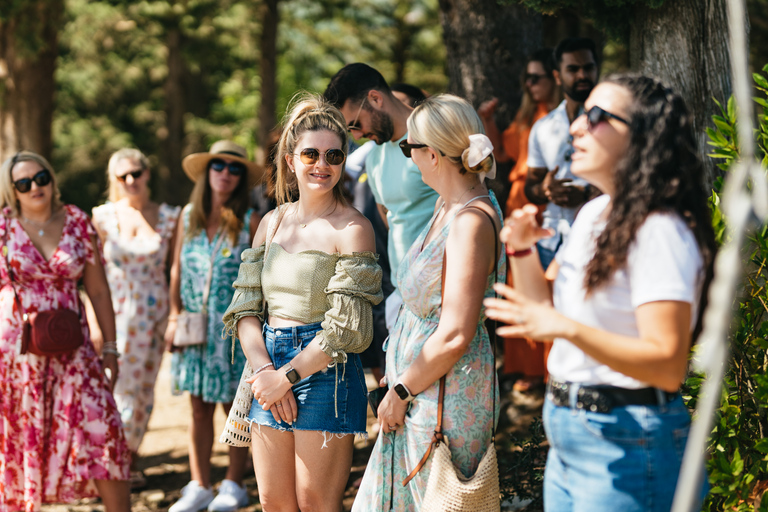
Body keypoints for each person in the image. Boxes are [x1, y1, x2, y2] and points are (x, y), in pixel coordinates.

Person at [484, 75, 715, 511]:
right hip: (570, 428)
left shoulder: (659, 229)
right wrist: (521, 248)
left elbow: (667, 364)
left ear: (643, 135)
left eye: (596, 117)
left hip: (629, 435)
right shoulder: (594, 214)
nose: (576, 127)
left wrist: (566, 328)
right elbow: (543, 314)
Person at [222, 94, 383, 511]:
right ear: (291, 159)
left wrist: (286, 378)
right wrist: (264, 372)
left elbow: (346, 328)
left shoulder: (353, 228)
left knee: (315, 506)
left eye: (333, 154)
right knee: (275, 504)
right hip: (266, 364)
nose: (322, 164)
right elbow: (245, 309)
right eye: (310, 153)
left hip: (325, 369)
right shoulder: (271, 222)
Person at [353, 94, 504, 510]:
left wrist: (401, 389)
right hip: (422, 388)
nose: (407, 157)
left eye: (408, 147)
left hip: (443, 397)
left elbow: (456, 332)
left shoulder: (471, 221)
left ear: (433, 154)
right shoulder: (447, 206)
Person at [0, 151, 130, 511]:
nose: (35, 187)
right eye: (24, 183)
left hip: (75, 351)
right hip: (17, 357)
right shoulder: (2, 228)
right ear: (13, 190)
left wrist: (111, 348)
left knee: (104, 429)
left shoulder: (75, 220)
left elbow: (99, 290)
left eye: (41, 177)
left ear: (52, 178)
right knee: (21, 443)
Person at [165, 140, 262, 512]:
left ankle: (234, 484)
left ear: (241, 178)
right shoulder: (188, 216)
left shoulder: (250, 221)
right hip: (193, 328)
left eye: (235, 168)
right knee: (197, 408)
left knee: (232, 408)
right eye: (219, 165)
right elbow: (176, 269)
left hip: (234, 332)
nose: (225, 173)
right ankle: (199, 484)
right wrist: (174, 316)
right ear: (207, 172)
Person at [324, 63, 439, 332]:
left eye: (356, 124)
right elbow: (390, 219)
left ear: (376, 98)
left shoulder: (436, 133)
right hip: (403, 296)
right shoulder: (374, 157)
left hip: (445, 291)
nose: (358, 136)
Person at [90, 148, 180, 488]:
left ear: (147, 173)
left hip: (153, 317)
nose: (131, 180)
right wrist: (93, 320)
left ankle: (129, 461)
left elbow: (174, 271)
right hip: (113, 313)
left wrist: (174, 315)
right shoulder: (101, 217)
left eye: (136, 173)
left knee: (142, 392)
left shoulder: (170, 217)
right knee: (111, 389)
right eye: (123, 176)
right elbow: (90, 272)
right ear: (113, 180)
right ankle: (106, 463)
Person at [478, 48, 561, 390]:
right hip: (518, 206)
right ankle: (521, 365)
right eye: (526, 78)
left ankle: (546, 370)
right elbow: (502, 152)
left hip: (544, 211)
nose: (529, 84)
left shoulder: (560, 119)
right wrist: (487, 121)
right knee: (517, 286)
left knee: (546, 287)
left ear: (555, 78)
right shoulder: (528, 117)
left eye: (536, 77)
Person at [525, 38, 600, 270]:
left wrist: (587, 192)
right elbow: (531, 187)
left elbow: (632, 179)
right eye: (573, 69)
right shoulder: (543, 127)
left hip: (598, 238)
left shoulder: (613, 124)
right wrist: (545, 189)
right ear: (557, 76)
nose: (581, 76)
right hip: (551, 241)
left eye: (587, 68)